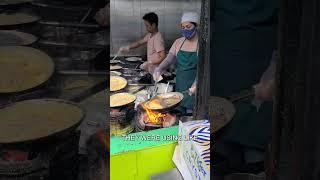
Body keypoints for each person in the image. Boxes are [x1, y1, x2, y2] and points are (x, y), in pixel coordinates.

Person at [211, 0, 278, 175]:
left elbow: (293, 26)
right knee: (222, 145)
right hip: (222, 73)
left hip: (258, 66)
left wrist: (275, 66)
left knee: (255, 152)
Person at [153, 12, 199, 114]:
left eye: (188, 26)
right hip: (180, 84)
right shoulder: (178, 42)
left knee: (190, 113)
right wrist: (159, 68)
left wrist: (196, 84)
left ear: (196, 26)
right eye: (183, 27)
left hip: (194, 86)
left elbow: (203, 68)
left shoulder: (201, 44)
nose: (185, 30)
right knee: (178, 110)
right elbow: (168, 60)